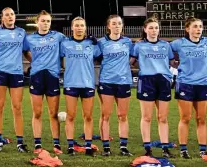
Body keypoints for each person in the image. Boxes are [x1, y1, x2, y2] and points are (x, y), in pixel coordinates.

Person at [22, 10, 65, 153]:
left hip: (52, 77)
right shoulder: (29, 39)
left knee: (53, 113)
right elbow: (25, 51)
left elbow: (72, 44)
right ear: (37, 22)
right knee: (37, 113)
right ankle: (38, 144)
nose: (45, 23)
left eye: (48, 21)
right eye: (43, 21)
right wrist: (34, 62)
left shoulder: (58, 36)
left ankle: (56, 144)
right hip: (37, 77)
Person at [131, 17, 174, 158]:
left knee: (162, 117)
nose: (153, 30)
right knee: (147, 117)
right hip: (146, 81)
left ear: (159, 30)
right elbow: (131, 62)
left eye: (156, 27)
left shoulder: (166, 46)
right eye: (150, 27)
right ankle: (148, 148)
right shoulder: (138, 45)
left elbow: (173, 63)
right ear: (145, 29)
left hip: (163, 81)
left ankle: (165, 148)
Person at [171, 17, 207, 159]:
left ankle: (203, 150)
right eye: (195, 26)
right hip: (185, 84)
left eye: (200, 26)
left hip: (203, 84)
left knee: (201, 119)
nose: (198, 29)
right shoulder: (178, 44)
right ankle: (183, 149)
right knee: (185, 118)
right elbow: (164, 51)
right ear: (187, 29)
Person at [60, 17, 101, 157]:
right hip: (71, 83)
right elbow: (58, 58)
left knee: (88, 116)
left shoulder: (92, 44)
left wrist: (98, 44)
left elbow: (101, 57)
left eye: (81, 25)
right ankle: (70, 146)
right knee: (70, 116)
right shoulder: (65, 44)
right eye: (76, 25)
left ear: (85, 27)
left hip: (87, 83)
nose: (79, 28)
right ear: (72, 28)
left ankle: (88, 147)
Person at [0, 7, 28, 152]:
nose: (10, 17)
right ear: (2, 18)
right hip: (0, 72)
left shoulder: (21, 32)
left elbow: (26, 52)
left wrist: (36, 65)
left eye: (12, 14)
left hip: (16, 73)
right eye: (7, 15)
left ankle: (20, 143)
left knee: (17, 108)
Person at [96, 15, 134, 156]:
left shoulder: (128, 42)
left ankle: (123, 147)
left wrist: (124, 67)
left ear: (122, 26)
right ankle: (106, 147)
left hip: (124, 81)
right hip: (107, 81)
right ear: (108, 26)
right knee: (106, 115)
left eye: (119, 23)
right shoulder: (101, 42)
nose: (117, 26)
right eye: (114, 23)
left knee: (122, 115)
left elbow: (133, 58)